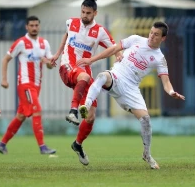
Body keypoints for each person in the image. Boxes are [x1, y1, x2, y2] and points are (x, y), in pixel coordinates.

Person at [74, 21, 185, 169]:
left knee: (145, 120)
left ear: (163, 38)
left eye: (156, 35)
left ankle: (147, 154)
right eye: (151, 32)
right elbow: (113, 48)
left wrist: (171, 92)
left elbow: (166, 82)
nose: (151, 36)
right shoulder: (136, 39)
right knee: (102, 76)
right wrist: (91, 60)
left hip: (131, 89)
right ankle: (86, 105)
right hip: (116, 75)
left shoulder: (159, 58)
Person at [51, 0, 120, 126]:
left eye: (88, 13)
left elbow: (114, 47)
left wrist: (119, 56)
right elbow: (66, 35)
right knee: (84, 76)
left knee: (91, 115)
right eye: (82, 12)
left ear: (95, 13)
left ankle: (78, 144)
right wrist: (57, 54)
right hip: (68, 65)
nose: (84, 15)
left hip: (85, 73)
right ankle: (73, 111)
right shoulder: (71, 22)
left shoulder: (100, 31)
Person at [0, 16, 56, 155]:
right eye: (31, 25)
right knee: (37, 110)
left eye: (36, 25)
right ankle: (42, 147)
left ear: (39, 26)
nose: (34, 28)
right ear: (26, 27)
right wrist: (4, 79)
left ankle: (2, 144)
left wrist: (48, 63)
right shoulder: (21, 43)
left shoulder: (44, 43)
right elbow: (5, 59)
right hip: (25, 84)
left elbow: (49, 66)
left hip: (36, 85)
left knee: (21, 116)